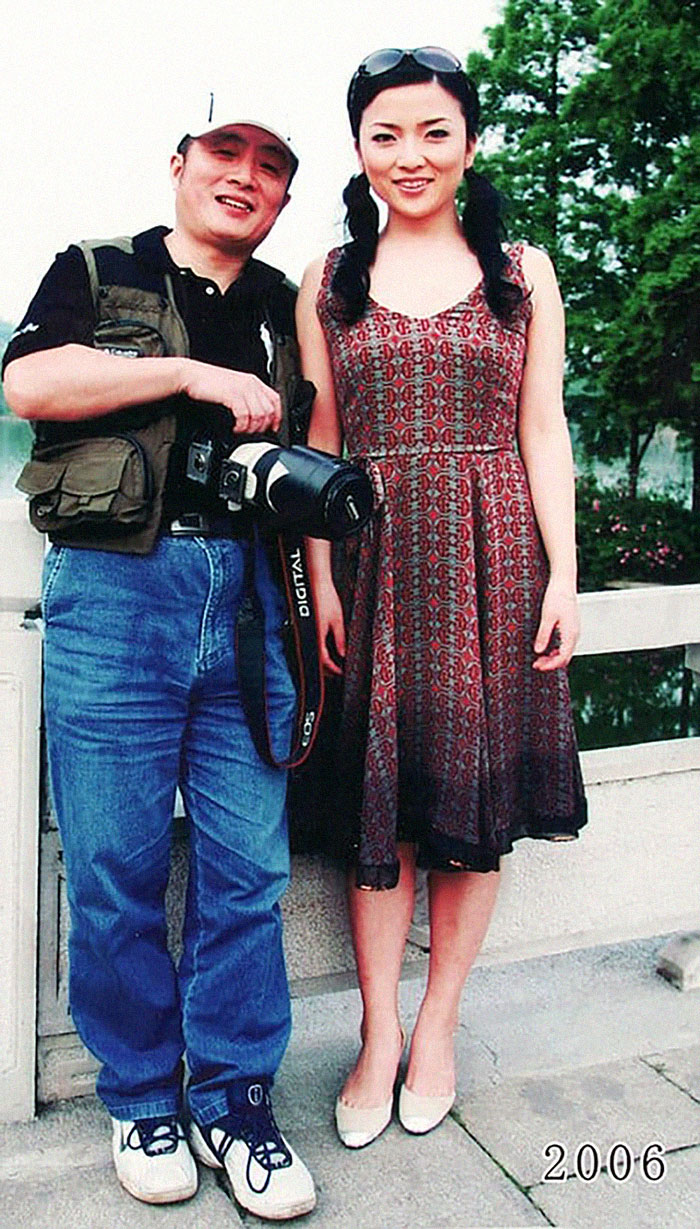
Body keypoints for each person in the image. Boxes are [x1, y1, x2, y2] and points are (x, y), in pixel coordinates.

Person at [2, 93, 316, 1220]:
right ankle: (141, 1094)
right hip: (114, 597)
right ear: (180, 163)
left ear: (284, 195)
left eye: (270, 165)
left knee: (249, 868)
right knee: (116, 868)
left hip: (249, 605)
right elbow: (29, 385)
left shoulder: (288, 307)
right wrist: (191, 377)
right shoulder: (95, 267)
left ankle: (234, 1096)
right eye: (224, 152)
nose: (244, 176)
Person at [295, 46, 587, 1148]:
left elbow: (542, 426)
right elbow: (320, 439)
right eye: (385, 134)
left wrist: (564, 571)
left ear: (468, 143)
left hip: (494, 557)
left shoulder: (521, 268)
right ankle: (376, 1035)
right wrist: (319, 575)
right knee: (381, 810)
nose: (408, 156)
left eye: (431, 132)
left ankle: (439, 1027)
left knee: (468, 817)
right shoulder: (330, 274)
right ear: (360, 148)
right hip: (370, 566)